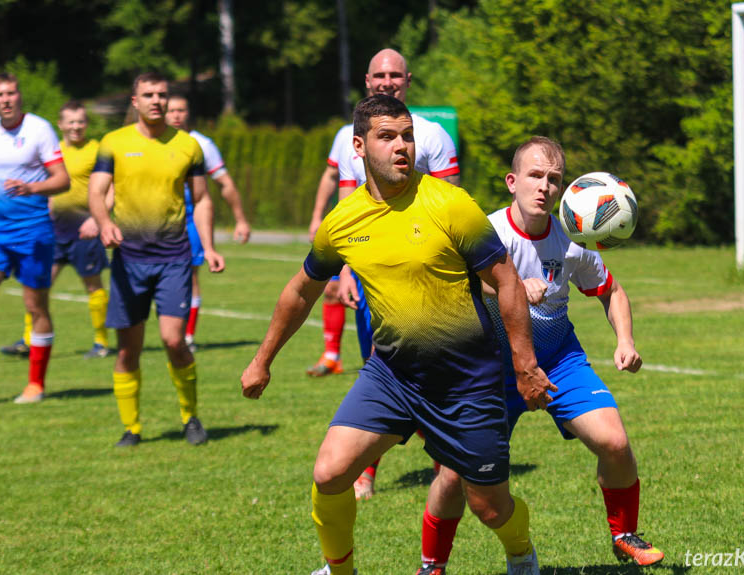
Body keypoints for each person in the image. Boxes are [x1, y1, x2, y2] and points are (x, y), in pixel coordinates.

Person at [242, 95, 555, 575]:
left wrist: (525, 365)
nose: (401, 146)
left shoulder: (450, 204)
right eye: (387, 137)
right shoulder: (342, 221)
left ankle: (521, 553)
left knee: (489, 507)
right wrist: (262, 360)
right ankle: (339, 570)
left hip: (466, 380)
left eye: (406, 135)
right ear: (359, 146)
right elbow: (300, 292)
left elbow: (507, 282)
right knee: (329, 473)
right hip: (392, 375)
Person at [415, 137, 664, 574]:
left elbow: (612, 291)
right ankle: (432, 564)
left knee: (615, 443)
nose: (545, 187)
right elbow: (456, 284)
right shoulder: (485, 232)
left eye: (554, 179)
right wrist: (507, 285)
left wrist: (625, 340)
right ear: (512, 182)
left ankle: (624, 534)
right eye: (535, 176)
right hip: (491, 367)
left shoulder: (572, 238)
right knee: (453, 475)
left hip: (558, 357)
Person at [309, 48, 462, 500]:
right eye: (380, 74)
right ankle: (364, 472)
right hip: (371, 275)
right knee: (377, 365)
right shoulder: (346, 138)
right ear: (367, 79)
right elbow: (346, 213)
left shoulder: (432, 136)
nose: (387, 81)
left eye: (395, 75)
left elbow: (450, 210)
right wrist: (345, 274)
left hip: (426, 277)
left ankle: (447, 466)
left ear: (408, 80)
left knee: (432, 372)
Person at [88, 72, 225, 447]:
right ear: (134, 101)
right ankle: (131, 428)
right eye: (148, 94)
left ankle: (190, 417)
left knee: (173, 340)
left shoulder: (188, 146)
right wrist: (103, 224)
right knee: (128, 350)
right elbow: (97, 191)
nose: (156, 101)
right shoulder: (113, 143)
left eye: (161, 95)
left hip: (174, 258)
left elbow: (203, 199)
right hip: (128, 260)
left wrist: (209, 247)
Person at [0, 73, 70, 404]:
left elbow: (62, 180)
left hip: (34, 232)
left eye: (11, 93)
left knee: (35, 306)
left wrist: (33, 188)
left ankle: (35, 385)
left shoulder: (39, 130)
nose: (5, 99)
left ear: (19, 96)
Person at [0, 100, 112, 360]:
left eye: (81, 121)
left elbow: (112, 188)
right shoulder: (53, 151)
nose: (76, 127)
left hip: (85, 229)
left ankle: (101, 342)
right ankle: (29, 341)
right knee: (37, 283)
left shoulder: (97, 150)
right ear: (60, 124)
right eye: (70, 122)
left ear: (86, 123)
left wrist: (99, 219)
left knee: (93, 286)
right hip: (53, 231)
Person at [165, 94, 251, 352]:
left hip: (189, 220)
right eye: (172, 110)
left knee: (189, 276)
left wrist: (240, 219)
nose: (176, 115)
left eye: (181, 110)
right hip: (156, 223)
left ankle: (187, 336)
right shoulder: (152, 143)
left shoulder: (201, 144)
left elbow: (224, 183)